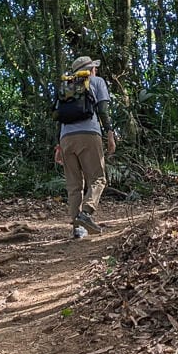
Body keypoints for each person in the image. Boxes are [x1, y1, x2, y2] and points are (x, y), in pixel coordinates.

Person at [53, 55, 116, 239]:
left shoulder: (66, 87)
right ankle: (85, 214)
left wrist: (59, 145)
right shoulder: (96, 81)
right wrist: (110, 132)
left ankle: (77, 229)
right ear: (91, 70)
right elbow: (103, 109)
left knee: (74, 185)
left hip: (66, 139)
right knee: (98, 178)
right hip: (89, 134)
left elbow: (59, 117)